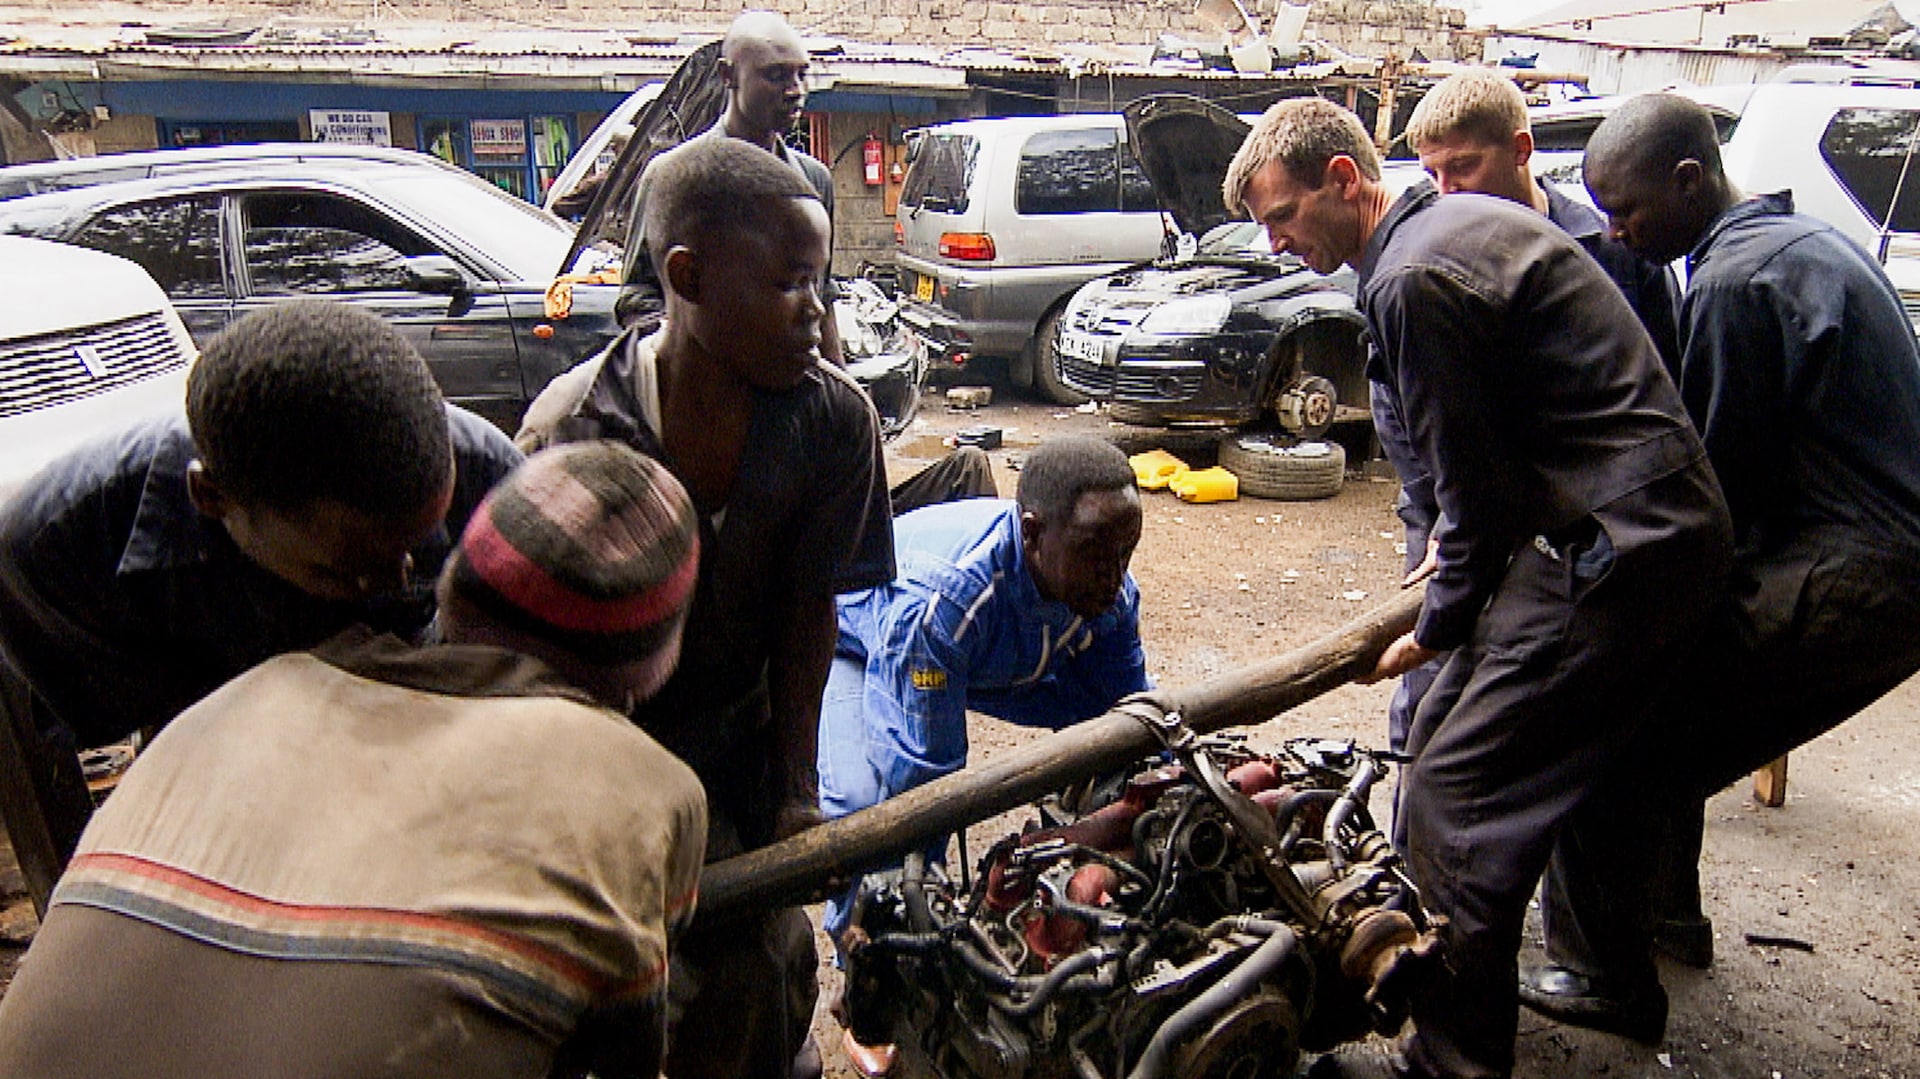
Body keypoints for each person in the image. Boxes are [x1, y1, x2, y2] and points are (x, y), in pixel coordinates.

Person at [1222, 97, 1733, 1079]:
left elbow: (1474, 488)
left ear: (1342, 180)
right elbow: (1491, 465)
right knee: (1452, 737)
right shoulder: (1451, 228)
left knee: (1456, 786)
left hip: (1623, 546)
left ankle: (1453, 1061)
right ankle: (1449, 971)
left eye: (1281, 215)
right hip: (1638, 526)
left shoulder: (1412, 276)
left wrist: (1442, 619)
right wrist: (1455, 593)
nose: (1273, 241)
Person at [0, 441, 709, 1079]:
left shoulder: (251, 690)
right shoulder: (647, 790)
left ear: (446, 593)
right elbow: (622, 1054)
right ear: (642, 677)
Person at [1519, 92, 1920, 1045]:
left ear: (1688, 180)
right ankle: (1667, 918)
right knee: (1680, 719)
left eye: (1626, 211)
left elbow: (1709, 498)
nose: (1614, 230)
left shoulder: (1735, 285)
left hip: (1852, 572)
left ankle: (1602, 973)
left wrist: (1594, 584)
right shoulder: (1808, 245)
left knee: (1599, 724)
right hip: (1884, 561)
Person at [518, 135, 895, 1079]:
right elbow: (536, 675)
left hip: (741, 734)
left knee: (764, 975)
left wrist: (796, 794)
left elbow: (809, 617)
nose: (817, 312)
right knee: (621, 992)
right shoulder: (577, 434)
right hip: (604, 751)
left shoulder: (831, 420)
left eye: (823, 281)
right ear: (685, 275)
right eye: (790, 284)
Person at [0, 299, 521, 889]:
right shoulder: (57, 551)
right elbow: (157, 765)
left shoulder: (487, 477)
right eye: (346, 572)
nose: (397, 581)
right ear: (211, 498)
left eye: (416, 547)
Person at [818, 434, 1147, 1077]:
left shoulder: (1104, 587)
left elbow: (1132, 713)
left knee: (1118, 729)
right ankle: (868, 985)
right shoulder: (943, 602)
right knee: (870, 811)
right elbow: (923, 790)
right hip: (859, 645)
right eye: (1094, 556)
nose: (1115, 576)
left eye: (1126, 553)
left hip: (990, 652)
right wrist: (925, 922)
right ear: (1032, 533)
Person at [617, 9, 842, 364]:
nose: (796, 90)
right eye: (776, 75)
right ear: (728, 75)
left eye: (802, 74)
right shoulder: (673, 177)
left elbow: (822, 295)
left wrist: (841, 393)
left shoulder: (813, 182)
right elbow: (635, 299)